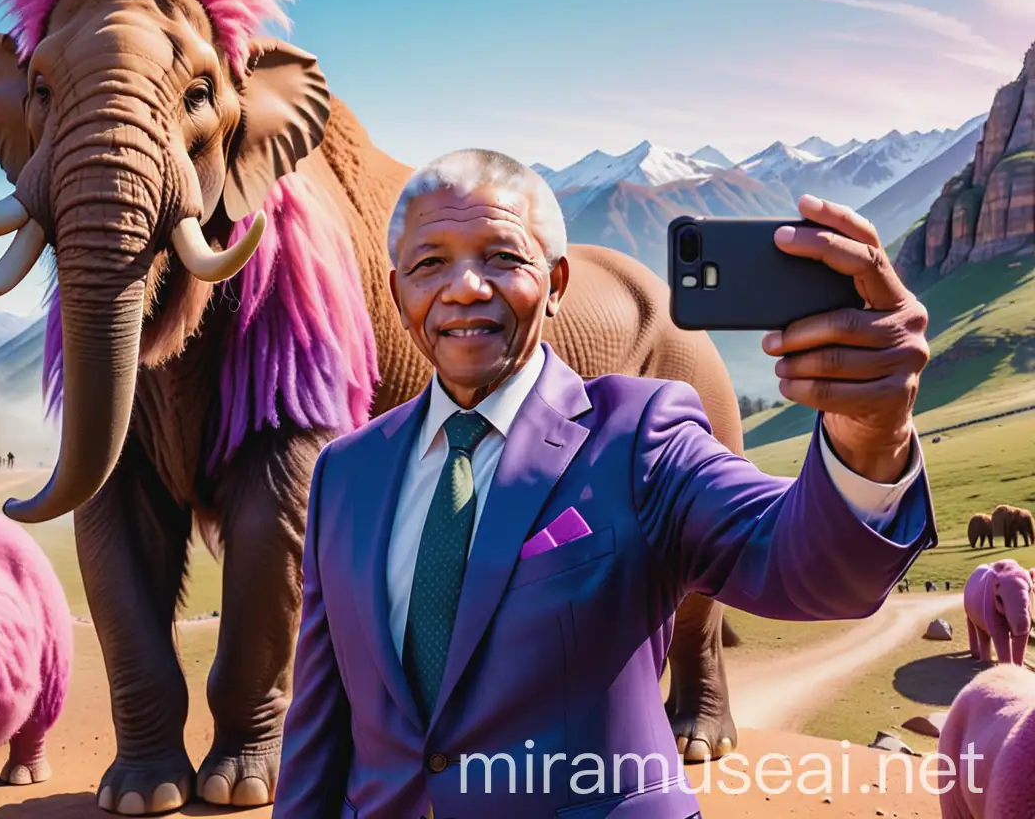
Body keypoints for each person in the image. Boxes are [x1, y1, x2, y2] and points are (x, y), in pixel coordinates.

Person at [273, 148, 935, 818]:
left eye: (503, 257)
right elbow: (320, 724)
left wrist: (870, 434)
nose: (465, 287)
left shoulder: (639, 435)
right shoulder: (344, 473)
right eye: (428, 264)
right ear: (397, 295)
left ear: (558, 282)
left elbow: (811, 570)